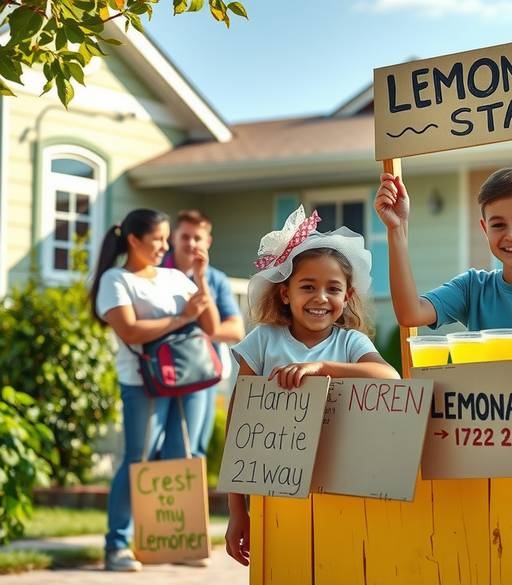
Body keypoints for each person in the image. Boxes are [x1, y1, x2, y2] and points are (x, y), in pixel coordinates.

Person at [224, 206, 399, 567]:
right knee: (283, 566)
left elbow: (390, 378)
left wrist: (322, 367)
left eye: (332, 289)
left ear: (347, 297)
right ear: (285, 293)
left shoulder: (350, 343)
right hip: (274, 494)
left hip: (339, 490)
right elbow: (237, 426)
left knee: (340, 566)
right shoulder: (262, 342)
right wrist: (237, 510)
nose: (320, 298)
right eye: (308, 287)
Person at [89, 209, 219, 572]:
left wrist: (201, 279)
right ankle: (116, 544)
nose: (165, 246)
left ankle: (177, 542)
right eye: (158, 239)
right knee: (139, 459)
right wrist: (181, 318)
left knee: (182, 457)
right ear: (133, 240)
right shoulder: (117, 280)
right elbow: (129, 331)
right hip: (143, 383)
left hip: (190, 379)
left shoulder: (176, 277)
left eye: (166, 238)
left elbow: (208, 324)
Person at [375, 164, 512, 340]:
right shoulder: (472, 287)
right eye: (498, 225)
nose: (511, 234)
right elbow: (411, 314)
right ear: (485, 229)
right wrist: (397, 228)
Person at [163, 210, 244, 460]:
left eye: (197, 238)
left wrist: (206, 328)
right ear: (173, 238)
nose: (191, 244)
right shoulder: (154, 272)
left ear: (208, 242)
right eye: (185, 237)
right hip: (158, 368)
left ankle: (186, 501)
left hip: (198, 373)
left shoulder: (215, 279)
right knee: (152, 448)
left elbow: (236, 330)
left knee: (189, 449)